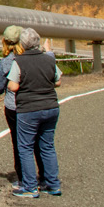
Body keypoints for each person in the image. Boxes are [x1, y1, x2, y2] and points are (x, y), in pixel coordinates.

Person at [10, 27, 63, 198]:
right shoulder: (49, 59)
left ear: (22, 44)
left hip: (28, 109)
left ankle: (30, 186)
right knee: (47, 146)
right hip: (50, 106)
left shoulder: (19, 61)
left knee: (25, 147)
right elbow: (58, 81)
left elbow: (13, 86)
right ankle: (53, 184)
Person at [0, 25, 24, 179]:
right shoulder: (28, 58)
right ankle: (43, 175)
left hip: (13, 106)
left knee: (17, 141)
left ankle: (22, 175)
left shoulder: (6, 62)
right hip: (30, 103)